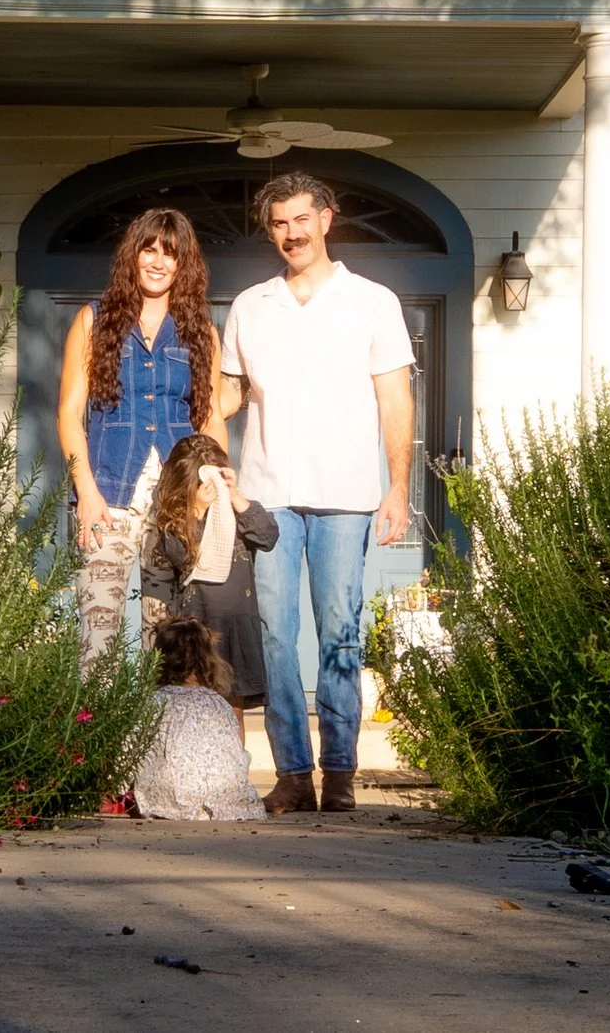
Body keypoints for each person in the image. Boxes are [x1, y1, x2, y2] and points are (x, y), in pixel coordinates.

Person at [218, 171, 416, 814]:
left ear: (328, 219)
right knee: (275, 635)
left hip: (348, 494)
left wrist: (398, 489)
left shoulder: (373, 301)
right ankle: (293, 777)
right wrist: (197, 437)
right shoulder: (251, 305)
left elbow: (395, 398)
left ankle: (339, 774)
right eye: (279, 223)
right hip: (267, 494)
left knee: (340, 633)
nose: (291, 233)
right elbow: (228, 393)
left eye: (302, 219)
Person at [57, 207, 226, 674]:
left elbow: (209, 417)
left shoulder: (200, 333)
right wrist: (86, 493)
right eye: (148, 249)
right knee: (97, 635)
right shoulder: (95, 322)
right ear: (133, 255)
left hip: (177, 499)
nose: (157, 261)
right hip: (108, 497)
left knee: (170, 636)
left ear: (183, 263)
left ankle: (164, 743)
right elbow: (70, 414)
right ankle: (97, 744)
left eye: (169, 253)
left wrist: (219, 490)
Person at [139, 432, 279, 707]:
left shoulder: (236, 513)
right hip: (198, 626)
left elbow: (268, 536)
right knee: (196, 701)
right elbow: (183, 558)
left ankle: (234, 752)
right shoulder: (175, 523)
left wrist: (235, 496)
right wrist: (197, 511)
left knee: (233, 706)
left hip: (237, 626)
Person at [130, 617, 265, 821]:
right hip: (226, 798)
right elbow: (236, 752)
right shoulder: (219, 704)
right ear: (209, 661)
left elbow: (133, 749)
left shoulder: (154, 702)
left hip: (173, 798)